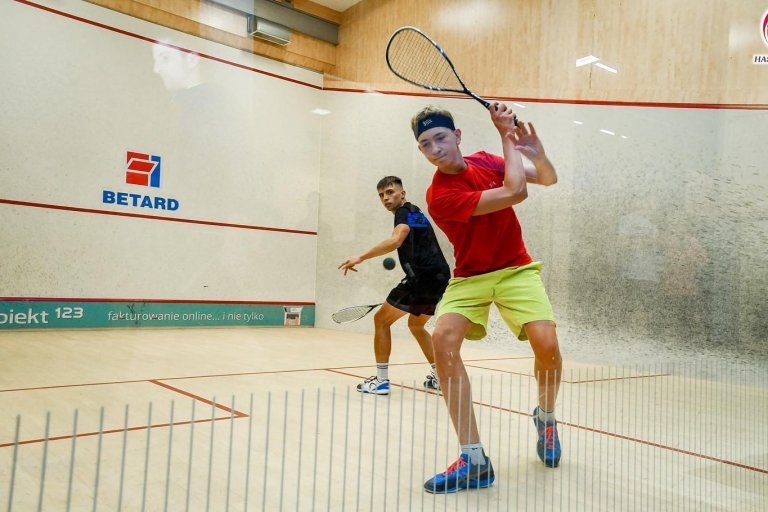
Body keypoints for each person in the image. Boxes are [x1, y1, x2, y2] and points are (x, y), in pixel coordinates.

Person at [412, 104, 563, 493]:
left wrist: (537, 155)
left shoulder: (486, 161)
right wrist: (505, 133)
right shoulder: (439, 196)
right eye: (425, 144)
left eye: (441, 138)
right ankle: (474, 459)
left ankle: (546, 419)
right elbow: (516, 192)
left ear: (457, 136)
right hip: (471, 278)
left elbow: (547, 178)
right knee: (442, 339)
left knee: (547, 346)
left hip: (516, 270)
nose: (435, 149)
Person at [339, 176, 451, 395]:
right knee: (416, 325)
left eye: (390, 192)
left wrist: (360, 257)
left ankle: (381, 381)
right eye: (381, 195)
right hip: (439, 276)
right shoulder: (416, 213)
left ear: (403, 193)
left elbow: (396, 240)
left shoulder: (403, 212)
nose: (385, 198)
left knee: (381, 320)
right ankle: (440, 375)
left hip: (422, 277)